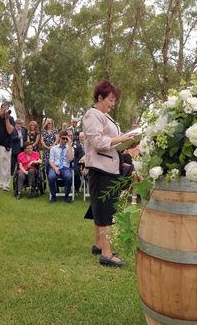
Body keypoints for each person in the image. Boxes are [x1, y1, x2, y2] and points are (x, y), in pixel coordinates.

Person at [83, 80, 135, 267]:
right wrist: (121, 139)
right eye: (110, 100)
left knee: (100, 206)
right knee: (104, 210)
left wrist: (127, 142)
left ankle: (99, 244)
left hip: (109, 167)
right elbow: (97, 141)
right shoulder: (93, 114)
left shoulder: (104, 116)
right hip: (100, 167)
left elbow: (109, 140)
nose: (112, 104)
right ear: (100, 98)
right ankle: (106, 253)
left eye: (114, 101)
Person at [0, 103, 15, 192]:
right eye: (3, 108)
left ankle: (6, 185)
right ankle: (0, 183)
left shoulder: (11, 119)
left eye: (6, 108)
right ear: (0, 109)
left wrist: (6, 118)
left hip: (5, 145)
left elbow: (9, 131)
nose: (5, 110)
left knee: (5, 165)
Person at [48, 131, 74, 203]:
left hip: (65, 168)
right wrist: (55, 168)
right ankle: (53, 196)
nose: (65, 140)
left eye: (66, 139)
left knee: (69, 177)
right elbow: (51, 161)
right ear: (59, 138)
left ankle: (67, 196)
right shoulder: (54, 148)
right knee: (51, 177)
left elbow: (70, 159)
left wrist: (69, 145)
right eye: (63, 138)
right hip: (55, 166)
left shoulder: (70, 148)